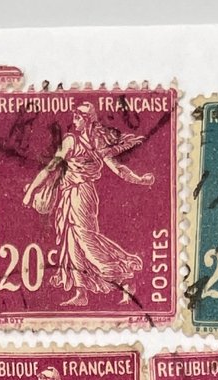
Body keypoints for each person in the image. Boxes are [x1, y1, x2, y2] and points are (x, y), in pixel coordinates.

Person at [22, 101, 152, 305]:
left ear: (88, 120)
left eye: (78, 116)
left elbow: (117, 169)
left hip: (82, 195)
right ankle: (81, 293)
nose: (74, 119)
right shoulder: (71, 141)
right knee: (71, 241)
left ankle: (123, 278)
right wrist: (31, 190)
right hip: (69, 194)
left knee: (85, 239)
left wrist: (139, 179)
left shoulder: (91, 144)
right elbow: (51, 168)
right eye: (74, 115)